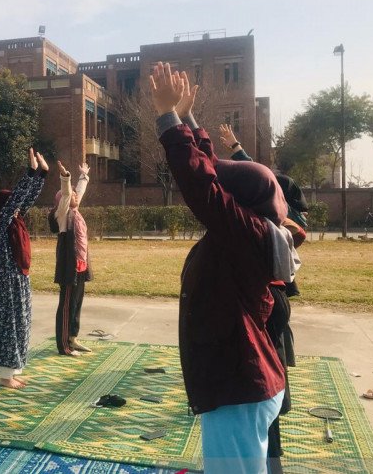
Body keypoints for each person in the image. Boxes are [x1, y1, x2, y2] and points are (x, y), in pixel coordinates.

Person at [150, 63, 293, 474]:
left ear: (241, 204)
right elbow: (211, 167)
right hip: (244, 383)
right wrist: (187, 119)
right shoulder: (254, 227)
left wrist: (166, 118)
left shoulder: (247, 233)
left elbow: (202, 183)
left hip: (239, 389)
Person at [0, 148, 49, 389]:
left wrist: (43, 174)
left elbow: (25, 199)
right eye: (12, 205)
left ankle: (13, 370)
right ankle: (4, 376)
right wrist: (30, 171)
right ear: (4, 208)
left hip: (18, 280)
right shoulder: (2, 224)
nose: (18, 208)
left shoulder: (15, 221)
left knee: (21, 324)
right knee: (9, 327)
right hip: (6, 284)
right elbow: (16, 201)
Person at [51, 160, 92, 356]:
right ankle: (64, 346)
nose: (76, 195)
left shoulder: (75, 211)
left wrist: (83, 176)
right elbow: (67, 193)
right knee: (67, 304)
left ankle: (73, 338)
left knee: (77, 302)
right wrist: (65, 178)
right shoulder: (63, 215)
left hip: (80, 264)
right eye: (72, 194)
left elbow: (78, 192)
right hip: (69, 266)